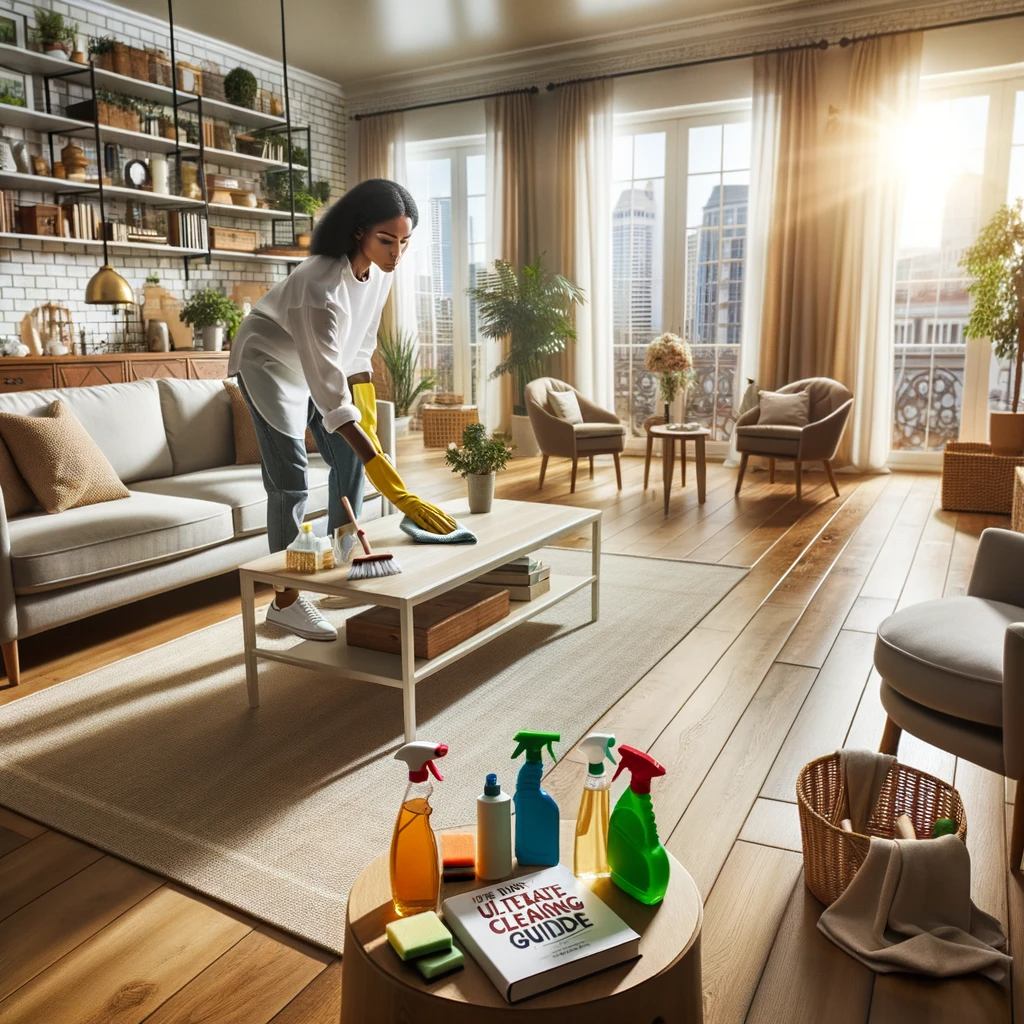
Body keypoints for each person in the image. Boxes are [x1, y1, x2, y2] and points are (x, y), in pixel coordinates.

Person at [228, 178, 456, 641]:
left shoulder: (381, 273)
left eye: (405, 242)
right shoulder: (319, 285)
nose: (396, 253)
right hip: (269, 363)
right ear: (358, 232)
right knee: (290, 481)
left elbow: (357, 351)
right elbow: (331, 395)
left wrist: (367, 427)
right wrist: (384, 471)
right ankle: (286, 602)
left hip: (317, 362)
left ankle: (345, 561)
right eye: (386, 241)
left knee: (348, 456)